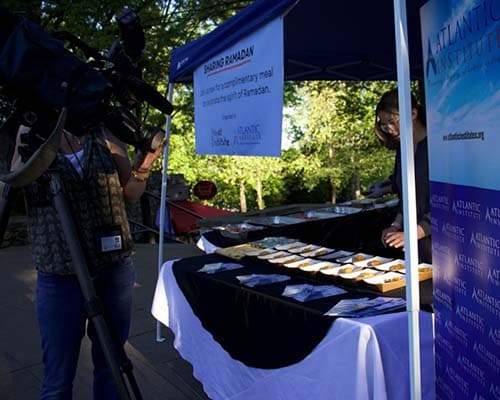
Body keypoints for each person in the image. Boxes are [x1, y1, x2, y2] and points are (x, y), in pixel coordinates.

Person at [10, 122, 164, 399]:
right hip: (59, 269)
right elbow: (17, 183)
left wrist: (145, 165)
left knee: (112, 366)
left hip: (112, 267)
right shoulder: (32, 129)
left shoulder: (105, 128)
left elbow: (129, 193)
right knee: (58, 377)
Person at [374, 88, 432, 263]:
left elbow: (449, 202)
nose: (389, 129)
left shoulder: (438, 146)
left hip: (444, 248)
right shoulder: (402, 148)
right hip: (416, 247)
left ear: (413, 113)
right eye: (385, 125)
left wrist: (415, 232)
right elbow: (406, 197)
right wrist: (395, 226)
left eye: (392, 121)